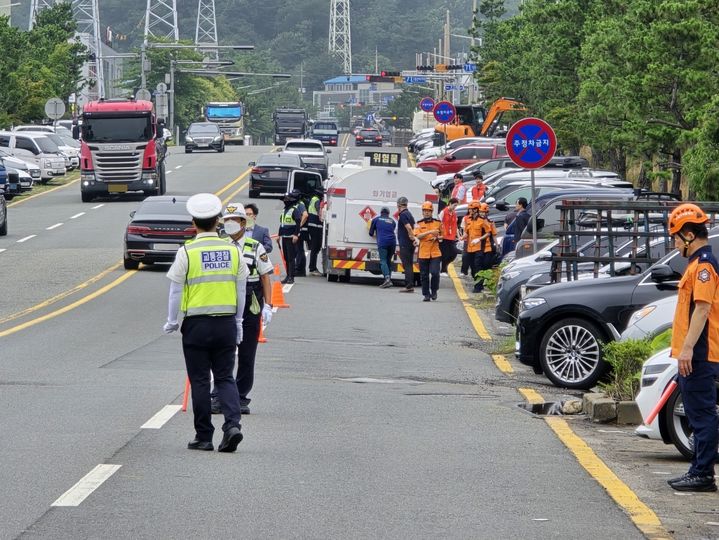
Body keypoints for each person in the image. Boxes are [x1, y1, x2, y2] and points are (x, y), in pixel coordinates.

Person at [163, 193, 248, 453]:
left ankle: (204, 435)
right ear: (218, 221)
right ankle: (232, 425)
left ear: (193, 222)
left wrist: (171, 321)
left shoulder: (187, 251)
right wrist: (239, 321)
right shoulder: (233, 250)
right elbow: (241, 289)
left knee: (200, 380)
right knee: (225, 377)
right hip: (226, 323)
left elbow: (175, 291)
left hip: (196, 326)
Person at [666, 203, 719, 492]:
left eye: (676, 236)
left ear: (689, 234)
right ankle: (697, 470)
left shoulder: (704, 268)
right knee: (698, 413)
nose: (674, 243)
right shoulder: (697, 265)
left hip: (699, 353)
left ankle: (703, 475)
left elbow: (702, 310)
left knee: (701, 414)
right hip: (692, 352)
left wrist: (687, 350)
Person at [211, 203, 274, 416]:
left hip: (251, 300)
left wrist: (268, 305)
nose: (229, 225)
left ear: (243, 223)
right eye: (226, 221)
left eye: (234, 221)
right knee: (223, 352)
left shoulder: (255, 246)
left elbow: (266, 277)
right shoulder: (219, 245)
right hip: (226, 300)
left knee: (247, 353)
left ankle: (241, 397)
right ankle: (218, 396)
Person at [414, 201, 443, 301]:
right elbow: (418, 236)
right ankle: (426, 294)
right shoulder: (419, 224)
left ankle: (434, 290)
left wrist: (437, 238)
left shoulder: (438, 223)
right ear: (422, 212)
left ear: (432, 212)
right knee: (424, 275)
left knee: (435, 273)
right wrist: (430, 232)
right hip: (423, 252)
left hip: (435, 252)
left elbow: (443, 236)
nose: (426, 213)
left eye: (428, 211)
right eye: (425, 211)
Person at [279, 190, 304, 284]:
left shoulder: (294, 210)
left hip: (291, 237)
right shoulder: (284, 210)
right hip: (284, 237)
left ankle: (291, 277)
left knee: (291, 257)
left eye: (286, 199)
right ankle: (287, 275)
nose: (285, 201)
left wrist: (296, 235)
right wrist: (279, 235)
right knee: (286, 257)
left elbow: (298, 223)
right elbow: (281, 224)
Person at [369, 207, 397, 288]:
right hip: (392, 243)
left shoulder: (376, 219)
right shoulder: (392, 221)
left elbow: (371, 233)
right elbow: (392, 228)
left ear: (381, 213)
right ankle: (388, 280)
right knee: (388, 261)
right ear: (388, 213)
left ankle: (387, 279)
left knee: (383, 261)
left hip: (383, 243)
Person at [463, 201, 487, 292]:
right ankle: (477, 282)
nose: (470, 211)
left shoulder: (482, 221)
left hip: (479, 247)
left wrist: (480, 239)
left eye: (471, 209)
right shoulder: (468, 220)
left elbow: (488, 233)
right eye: (469, 209)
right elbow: (467, 232)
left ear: (476, 210)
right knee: (472, 267)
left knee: (478, 266)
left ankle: (478, 286)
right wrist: (462, 237)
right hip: (470, 247)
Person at [396, 196, 417, 293]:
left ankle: (409, 286)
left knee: (407, 264)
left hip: (405, 243)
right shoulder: (409, 214)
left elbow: (408, 227)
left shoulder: (403, 214)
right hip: (409, 243)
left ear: (398, 205)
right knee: (409, 264)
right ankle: (410, 285)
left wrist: (412, 236)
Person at [307, 188, 324, 276]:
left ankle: (312, 267)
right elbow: (319, 212)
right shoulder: (317, 200)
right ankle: (312, 268)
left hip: (312, 226)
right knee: (315, 248)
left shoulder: (313, 199)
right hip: (316, 227)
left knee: (314, 248)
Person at [439, 197, 459, 273]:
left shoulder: (454, 214)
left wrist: (458, 236)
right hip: (444, 237)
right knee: (445, 254)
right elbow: (439, 223)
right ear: (450, 204)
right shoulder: (443, 212)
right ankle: (443, 270)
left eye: (456, 206)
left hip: (452, 237)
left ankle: (445, 267)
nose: (455, 207)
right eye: (454, 205)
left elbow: (455, 225)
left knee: (453, 253)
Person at [294, 192, 310, 277]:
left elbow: (305, 215)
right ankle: (300, 270)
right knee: (299, 249)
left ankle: (299, 270)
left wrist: (298, 226)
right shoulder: (298, 203)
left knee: (299, 250)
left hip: (300, 230)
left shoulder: (300, 204)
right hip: (300, 230)